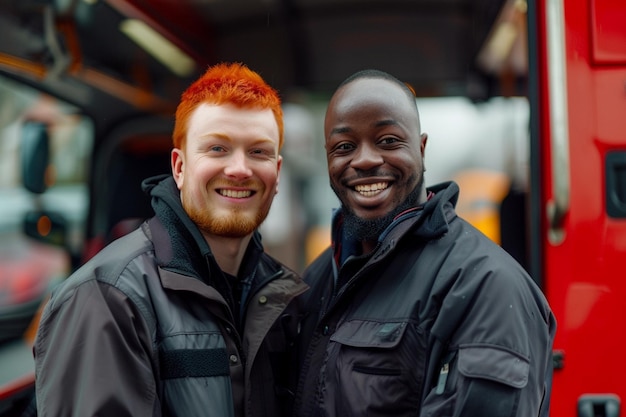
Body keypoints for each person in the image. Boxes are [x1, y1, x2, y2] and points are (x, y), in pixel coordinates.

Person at [33, 62, 308, 417]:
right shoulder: (106, 298)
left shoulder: (280, 297)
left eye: (259, 151)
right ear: (179, 168)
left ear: (277, 172)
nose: (240, 169)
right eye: (217, 149)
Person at [294, 69, 556, 417]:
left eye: (388, 140)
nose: (365, 160)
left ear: (421, 148)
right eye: (344, 146)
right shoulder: (317, 281)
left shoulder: (488, 288)